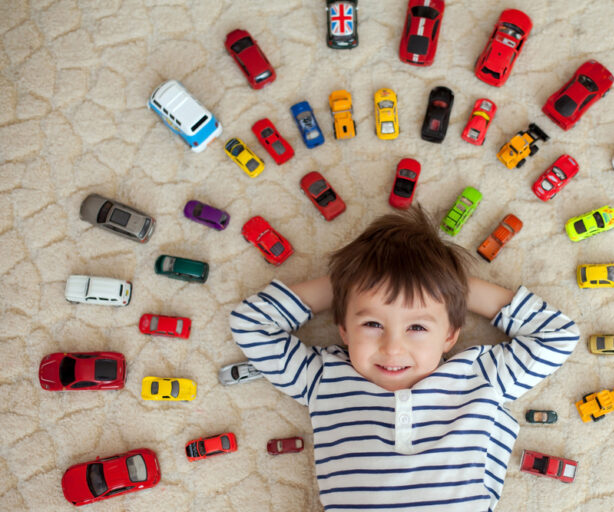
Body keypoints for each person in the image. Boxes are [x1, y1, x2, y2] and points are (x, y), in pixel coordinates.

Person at [229, 205, 579, 511]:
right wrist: (346, 285)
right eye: (371, 323)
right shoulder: (324, 378)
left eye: (416, 327)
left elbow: (557, 335)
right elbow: (251, 323)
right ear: (344, 330)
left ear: (450, 335)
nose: (392, 348)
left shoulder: (479, 376)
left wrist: (453, 287)